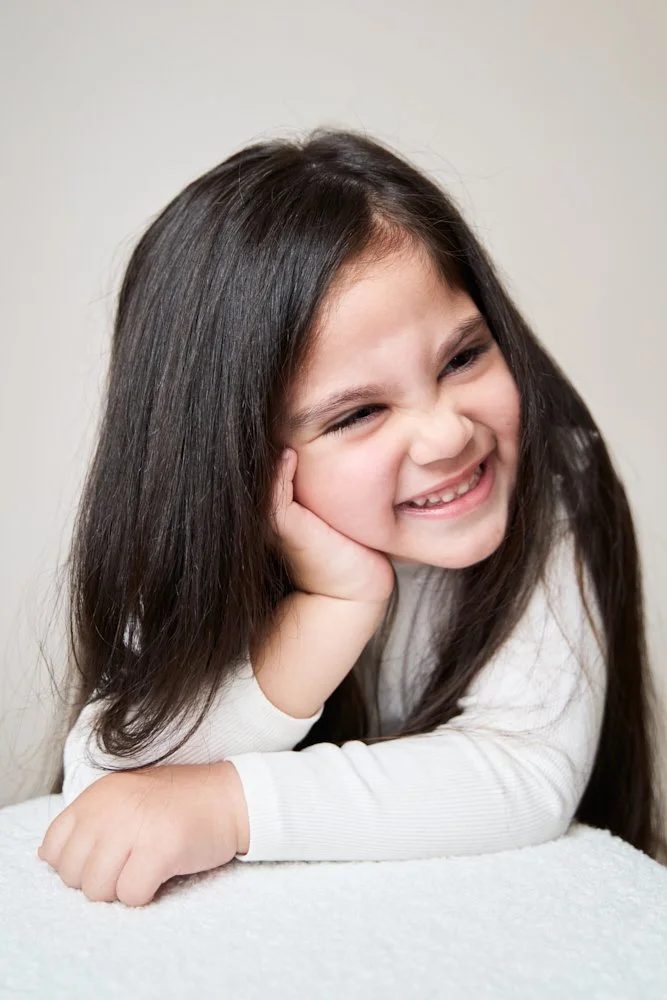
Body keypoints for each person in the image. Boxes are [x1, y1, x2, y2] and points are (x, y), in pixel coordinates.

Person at [37, 127, 665, 906]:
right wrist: (333, 607)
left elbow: (527, 768)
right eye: (358, 413)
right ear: (236, 461)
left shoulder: (554, 473)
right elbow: (107, 781)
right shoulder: (200, 540)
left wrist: (229, 805)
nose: (447, 435)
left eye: (463, 357)